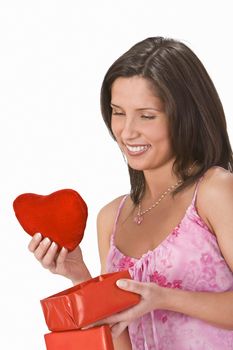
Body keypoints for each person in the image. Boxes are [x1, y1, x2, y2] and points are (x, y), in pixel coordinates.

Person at [28, 37, 233, 350]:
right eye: (118, 112)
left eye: (147, 115)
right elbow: (121, 340)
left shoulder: (214, 192)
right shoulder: (111, 218)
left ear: (185, 115)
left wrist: (164, 298)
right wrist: (81, 277)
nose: (126, 131)